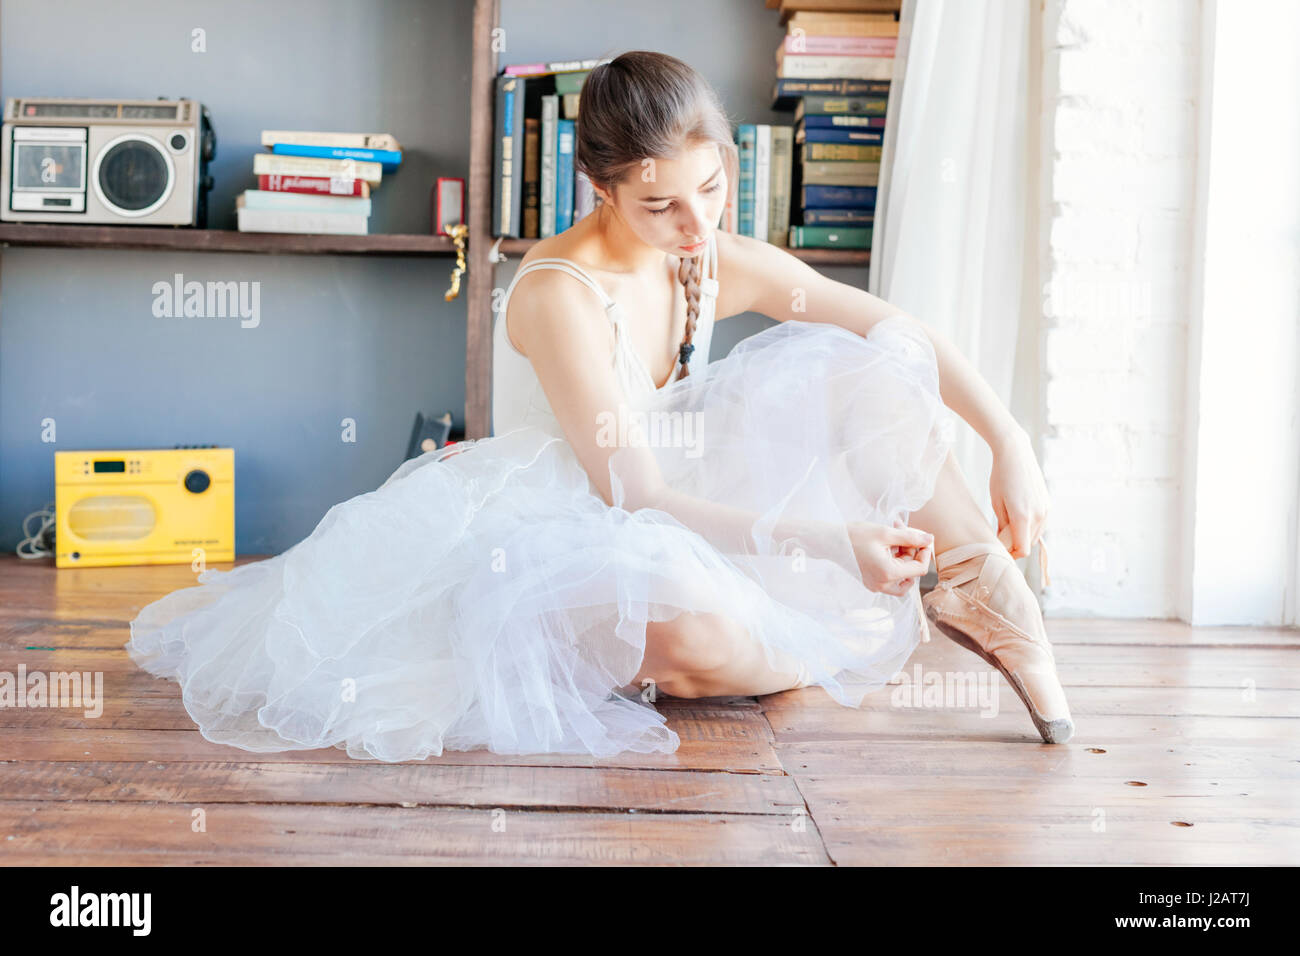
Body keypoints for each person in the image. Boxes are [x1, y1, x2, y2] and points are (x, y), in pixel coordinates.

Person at [126, 51, 1072, 762]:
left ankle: (991, 597)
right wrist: (831, 540)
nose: (697, 225)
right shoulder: (558, 293)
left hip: (693, 492)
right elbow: (638, 501)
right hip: (577, 521)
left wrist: (1009, 440)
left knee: (851, 364)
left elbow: (894, 328)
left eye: (712, 185)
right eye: (662, 206)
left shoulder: (710, 253)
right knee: (688, 629)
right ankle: (797, 644)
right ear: (602, 188)